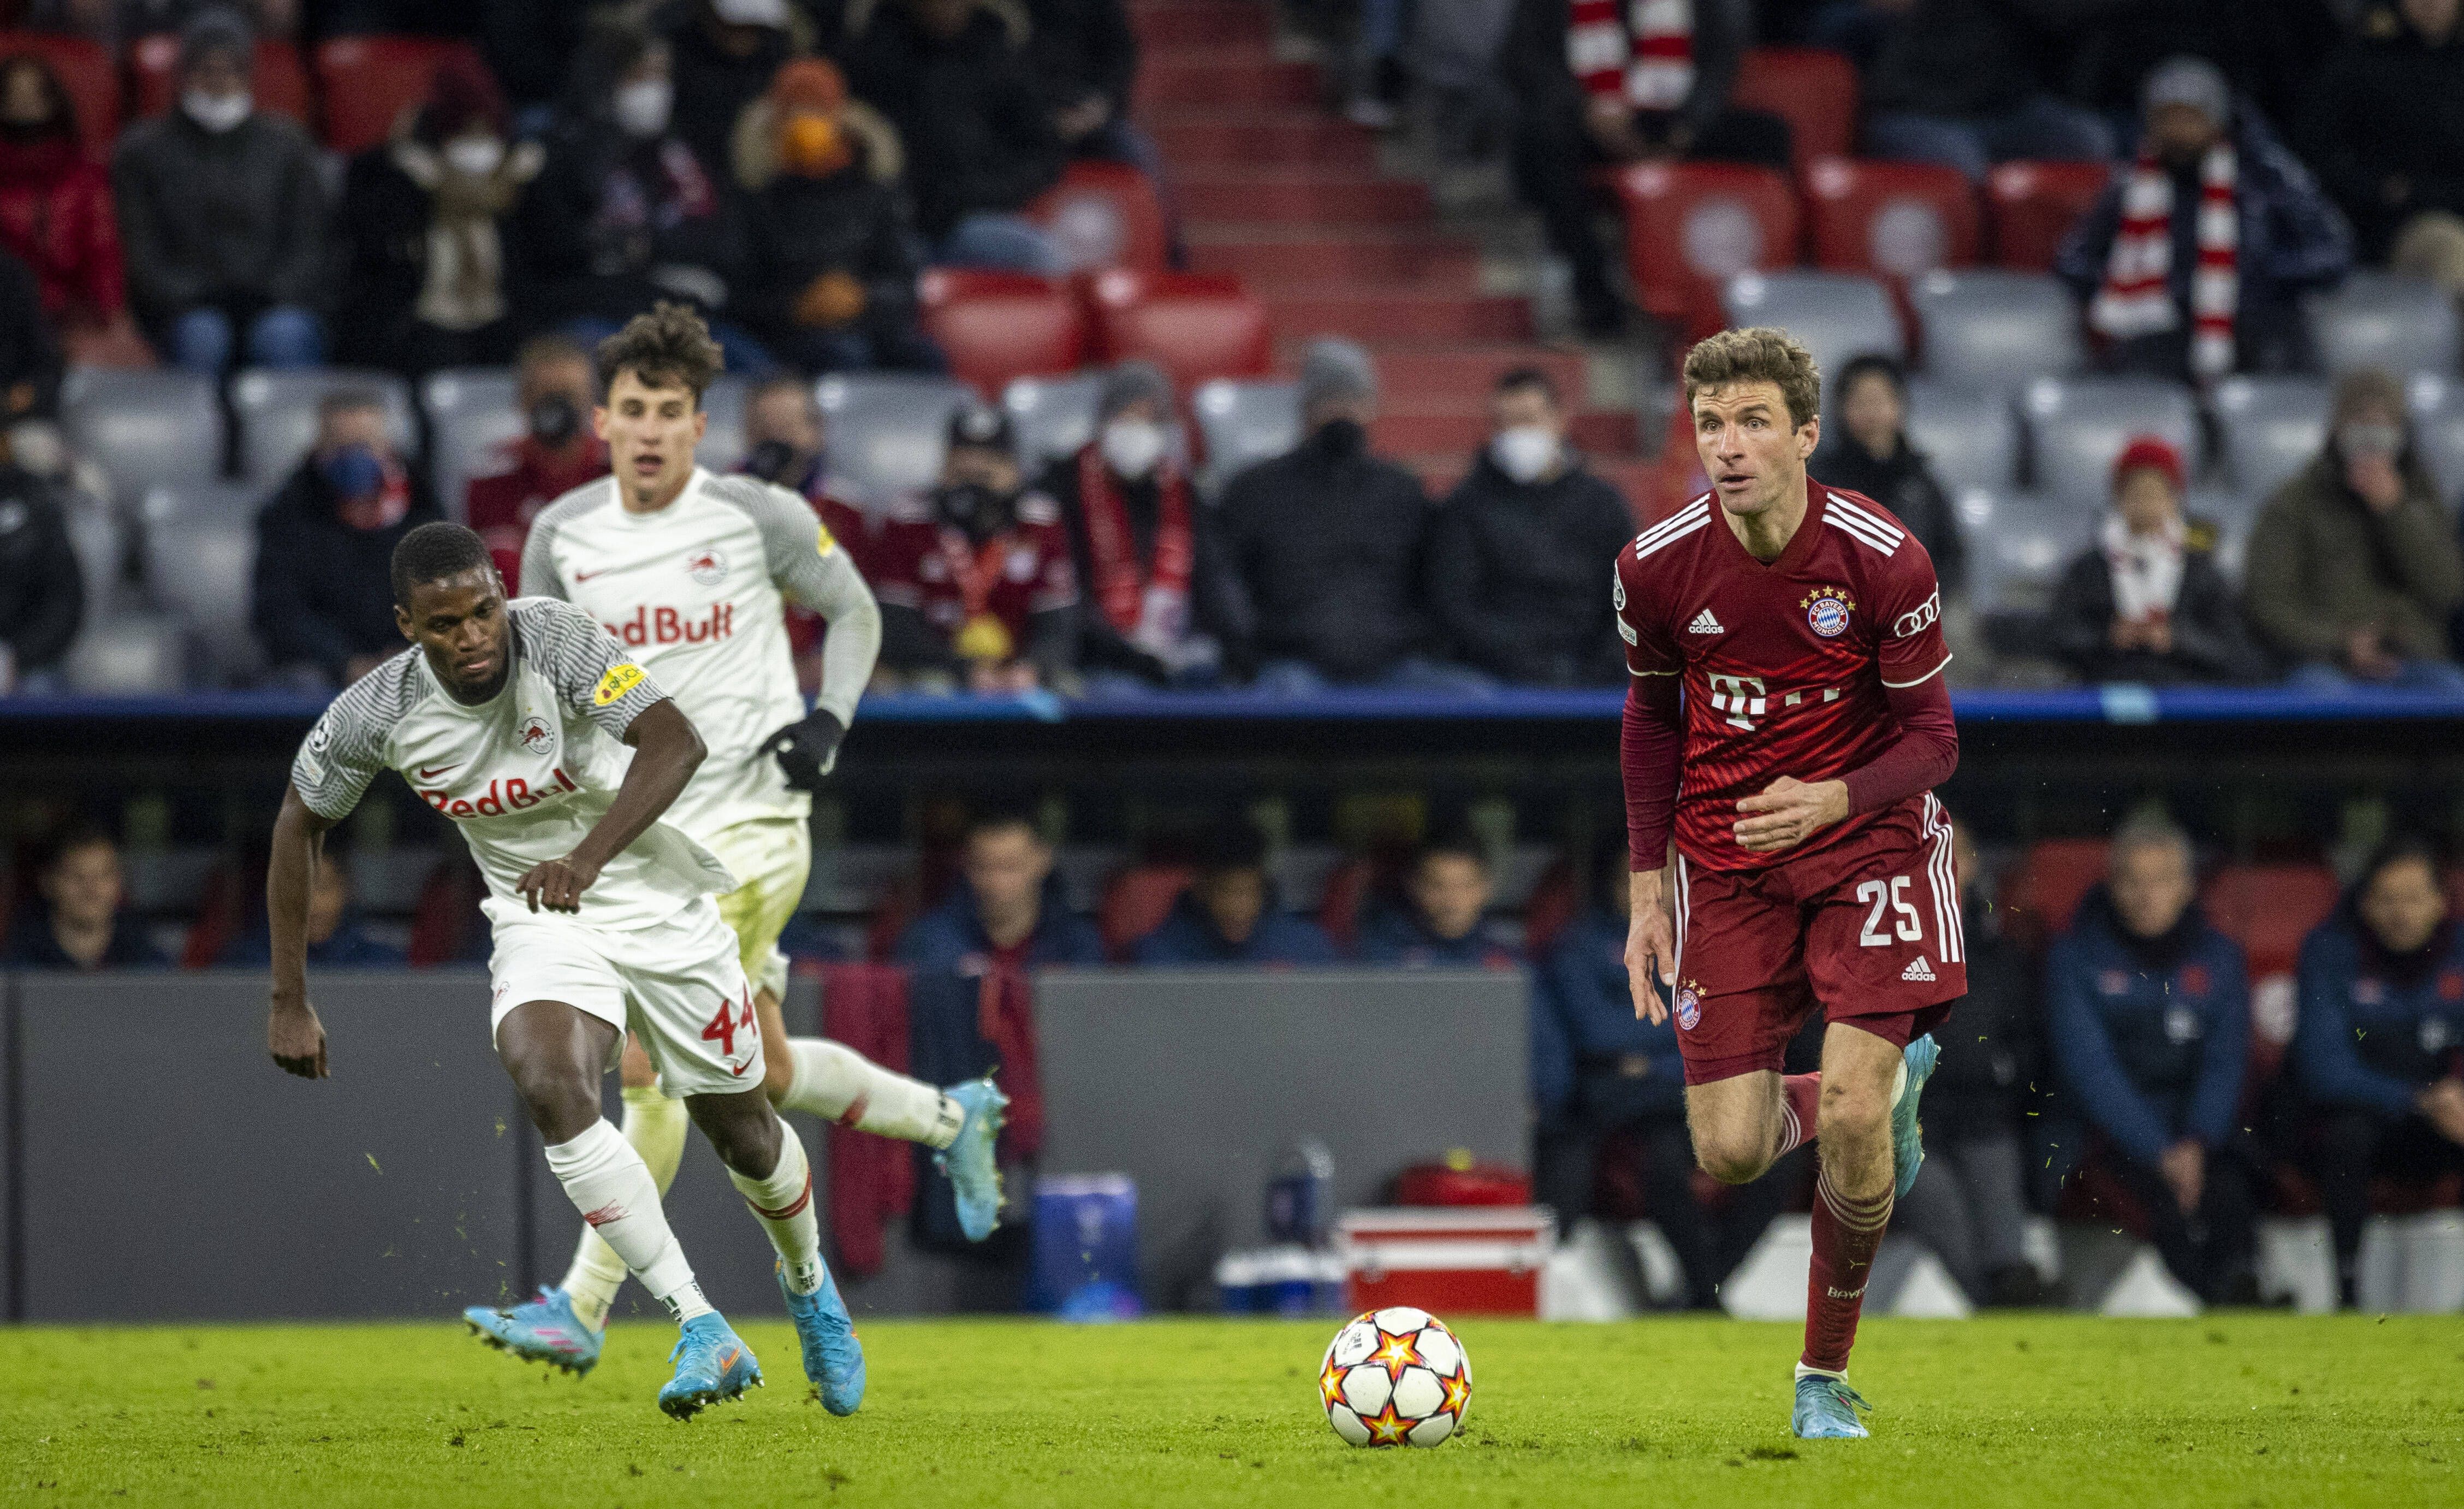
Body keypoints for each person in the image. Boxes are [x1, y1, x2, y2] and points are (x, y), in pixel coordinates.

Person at [482, 304, 1006, 1372]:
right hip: (644, 831)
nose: (649, 431)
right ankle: (951, 1120)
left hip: (757, 824)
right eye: (631, 410)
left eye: (669, 413)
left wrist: (830, 719)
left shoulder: (757, 514)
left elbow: (855, 610)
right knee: (755, 1071)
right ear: (602, 419)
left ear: (698, 424)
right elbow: (542, 677)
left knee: (647, 1062)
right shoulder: (559, 535)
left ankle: (583, 1310)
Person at [269, 522, 863, 1418]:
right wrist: (288, 996)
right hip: (537, 914)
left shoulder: (555, 636)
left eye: (482, 610)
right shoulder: (376, 712)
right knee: (547, 1076)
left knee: (742, 1130)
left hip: (656, 899)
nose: (472, 634)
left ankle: (809, 1284)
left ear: (500, 594)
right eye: (444, 624)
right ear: (406, 626)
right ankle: (699, 1321)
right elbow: (297, 823)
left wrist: (586, 857)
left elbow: (675, 741)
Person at [1614, 327, 1960, 1439]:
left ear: (1807, 433)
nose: (1729, 445)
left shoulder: (1884, 556)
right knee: (1728, 1145)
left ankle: (1821, 1377)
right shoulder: (1653, 565)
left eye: (1755, 420)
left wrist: (1835, 796)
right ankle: (1868, 1100)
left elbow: (1935, 739)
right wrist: (1645, 887)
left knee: (1855, 1105)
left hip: (1870, 850)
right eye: (1711, 423)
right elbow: (1649, 718)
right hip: (1726, 870)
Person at [1533, 850, 1788, 1307]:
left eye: (1668, 880)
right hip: (1631, 1105)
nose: (1657, 890)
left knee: (1782, 1155)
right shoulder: (1580, 945)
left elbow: (1734, 1027)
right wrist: (1682, 1037)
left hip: (1699, 1091)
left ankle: (1703, 1289)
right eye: (1642, 879)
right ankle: (1705, 1297)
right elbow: (1596, 1033)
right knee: (1666, 1160)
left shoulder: (1708, 945)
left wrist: (1651, 1058)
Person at [2045, 814, 2259, 1305]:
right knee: (2154, 1195)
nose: (2147, 895)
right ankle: (2210, 1302)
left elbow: (2225, 1062)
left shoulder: (2219, 956)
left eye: (2161, 881)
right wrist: (2160, 1151)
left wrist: (2198, 1140)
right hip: (2107, 1136)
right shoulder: (2075, 956)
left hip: (2196, 1135)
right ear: (2112, 886)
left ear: (2186, 887)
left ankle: (2242, 1294)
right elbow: (2090, 1069)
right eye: (2133, 881)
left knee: (2231, 1186)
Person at [1501, 0, 1792, 337]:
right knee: (1541, 138)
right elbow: (1522, 60)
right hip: (1589, 127)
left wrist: (1690, 125)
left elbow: (1719, 60)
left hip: (1677, 125)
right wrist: (1586, 110)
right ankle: (1595, 293)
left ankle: (1764, 293)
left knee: (1768, 135)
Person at [2055, 56, 2350, 384]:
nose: (2179, 131)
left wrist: (2255, 279)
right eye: (2167, 118)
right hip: (2157, 340)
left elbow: (2332, 257)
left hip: (2258, 336)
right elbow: (2073, 262)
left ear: (2217, 121)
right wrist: (2131, 284)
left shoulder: (2267, 179)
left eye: (2191, 117)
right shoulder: (2129, 186)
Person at [1215, 340, 1474, 693]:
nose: (1340, 413)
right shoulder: (1254, 491)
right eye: (1327, 401)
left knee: (1467, 695)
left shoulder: (1403, 493)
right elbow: (1225, 587)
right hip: (1291, 664)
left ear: (1371, 407)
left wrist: (1415, 638)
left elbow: (1439, 585)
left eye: (1351, 400)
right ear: (1305, 409)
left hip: (1393, 663)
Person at [520, 20, 769, 374]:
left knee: (762, 378)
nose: (655, 90)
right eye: (640, 77)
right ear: (605, 81)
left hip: (684, 318)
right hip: (596, 318)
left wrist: (649, 251)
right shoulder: (563, 156)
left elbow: (725, 244)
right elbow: (560, 252)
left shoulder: (682, 155)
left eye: (661, 77)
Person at [2289, 835, 2464, 1309]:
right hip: (2364, 1118)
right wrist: (2418, 1098)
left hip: (2445, 1122)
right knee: (2346, 1135)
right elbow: (2324, 1068)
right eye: (2386, 899)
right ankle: (2346, 1292)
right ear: (2363, 903)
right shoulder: (2329, 951)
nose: (2401, 913)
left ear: (2440, 902)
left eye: (2413, 899)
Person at [1888, 821, 2055, 1307]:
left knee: (1996, 1166)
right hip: (1901, 1119)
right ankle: (2003, 1301)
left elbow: (2027, 1045)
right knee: (1931, 1191)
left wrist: (2002, 1083)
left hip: (1982, 1115)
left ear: (1973, 866)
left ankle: (2006, 1286)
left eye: (1949, 854)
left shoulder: (2000, 954)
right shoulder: (1870, 948)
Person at [111, 9, 328, 375]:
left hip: (274, 303)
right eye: (205, 70)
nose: (218, 81)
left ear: (248, 76)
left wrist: (270, 297)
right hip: (181, 309)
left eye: (230, 70)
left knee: (284, 334)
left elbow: (309, 243)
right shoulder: (143, 151)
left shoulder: (288, 147)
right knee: (203, 335)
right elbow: (140, 250)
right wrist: (194, 297)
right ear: (182, 75)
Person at [2244, 368, 2464, 691]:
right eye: (2361, 427)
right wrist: (2341, 642)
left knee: (2451, 691)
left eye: (2384, 429)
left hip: (2414, 659)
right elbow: (2267, 601)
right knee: (2322, 696)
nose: (2372, 442)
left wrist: (2396, 511)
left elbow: (2449, 590)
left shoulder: (2420, 497)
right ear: (2338, 430)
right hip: (2324, 662)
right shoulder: (2294, 502)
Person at [333, 51, 544, 377]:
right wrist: (403, 165)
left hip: (502, 319)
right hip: (421, 320)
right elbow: (369, 244)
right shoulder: (400, 175)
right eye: (465, 132)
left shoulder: (522, 180)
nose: (476, 145)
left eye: (485, 133)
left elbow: (555, 255)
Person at [1425, 365, 1635, 686]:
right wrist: (1522, 662)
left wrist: (1593, 668)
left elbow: (1632, 598)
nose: (1516, 433)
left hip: (1591, 672)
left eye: (1528, 420)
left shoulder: (1602, 504)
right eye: (1505, 424)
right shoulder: (1466, 507)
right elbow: (1457, 606)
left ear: (1559, 420)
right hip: (1494, 675)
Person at [739, 58, 936, 375]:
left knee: (923, 357)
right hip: (794, 338)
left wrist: (862, 298)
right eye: (794, 112)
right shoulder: (760, 203)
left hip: (870, 324)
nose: (804, 122)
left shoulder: (874, 194)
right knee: (843, 356)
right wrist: (797, 308)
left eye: (817, 110)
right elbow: (741, 296)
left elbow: (905, 282)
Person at [1041, 360, 1231, 690]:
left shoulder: (1183, 492)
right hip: (1100, 657)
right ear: (1103, 423)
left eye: (1151, 421)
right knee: (1119, 692)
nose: (1138, 430)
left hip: (1175, 651)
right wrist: (1129, 655)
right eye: (1127, 417)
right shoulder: (1063, 487)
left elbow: (1214, 583)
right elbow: (1064, 593)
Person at [868, 402, 1080, 694]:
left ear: (1015, 473)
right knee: (925, 687)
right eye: (963, 472)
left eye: (987, 476)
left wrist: (1033, 668)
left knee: (1067, 689)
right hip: (935, 673)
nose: (975, 489)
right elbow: (894, 629)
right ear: (943, 469)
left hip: (1019, 674)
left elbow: (1060, 626)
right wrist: (964, 671)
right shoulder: (909, 520)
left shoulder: (1041, 523)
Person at [843, 0, 1067, 274]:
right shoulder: (871, 54)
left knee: (1036, 254)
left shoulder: (999, 53)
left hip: (974, 219)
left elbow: (1043, 154)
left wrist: (979, 194)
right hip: (889, 227)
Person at [251, 390, 442, 689]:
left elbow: (445, 597)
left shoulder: (423, 508)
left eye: (364, 445)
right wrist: (345, 663)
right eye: (341, 446)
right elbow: (277, 611)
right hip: (323, 671)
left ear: (386, 446)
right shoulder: (288, 512)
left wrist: (407, 652)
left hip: (408, 660)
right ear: (320, 447)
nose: (354, 458)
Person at [2048, 434, 2263, 685]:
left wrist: (2177, 639)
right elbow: (2059, 636)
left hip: (2184, 691)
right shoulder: (2089, 568)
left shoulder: (2200, 569)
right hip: (2109, 687)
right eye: (2137, 494)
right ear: (2119, 498)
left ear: (2175, 500)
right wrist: (2109, 637)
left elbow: (2230, 648)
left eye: (2157, 495)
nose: (2147, 506)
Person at [1855, 0, 2112, 182]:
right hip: (1917, 113)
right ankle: (1979, 259)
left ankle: (2080, 255)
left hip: (2004, 112)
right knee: (1964, 165)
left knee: (2086, 140)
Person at [2305, 0, 2464, 269]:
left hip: (2451, 207)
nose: (2431, 3)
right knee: (2452, 253)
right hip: (2398, 229)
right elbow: (2318, 152)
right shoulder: (2361, 64)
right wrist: (2383, 191)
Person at [0, 52, 133, 354]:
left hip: (72, 316)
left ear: (53, 101)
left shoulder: (83, 176)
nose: (24, 104)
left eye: (34, 95)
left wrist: (113, 316)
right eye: (14, 95)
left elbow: (102, 253)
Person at [1808, 356, 1964, 597]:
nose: (1871, 412)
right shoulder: (1820, 480)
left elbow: (1949, 555)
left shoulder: (1921, 479)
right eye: (1860, 402)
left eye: (1879, 400)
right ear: (1841, 410)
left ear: (1900, 405)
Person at [465, 336, 608, 587]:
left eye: (568, 395)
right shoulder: (492, 476)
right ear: (522, 401)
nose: (556, 408)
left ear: (591, 401)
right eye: (544, 395)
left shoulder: (619, 470)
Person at [896, 806, 1106, 972]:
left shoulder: (1078, 942)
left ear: (1042, 860)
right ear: (966, 866)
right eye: (984, 867)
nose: (997, 882)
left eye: (1011, 867)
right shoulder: (929, 940)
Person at [1131, 815, 1340, 966]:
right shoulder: (1159, 956)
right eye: (1226, 892)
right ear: (1201, 890)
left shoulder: (1307, 946)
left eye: (1250, 891)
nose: (1238, 908)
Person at [661, 0, 795, 178]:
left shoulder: (778, 56)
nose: (744, 34)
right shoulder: (680, 54)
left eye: (755, 26)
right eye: (736, 26)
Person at [2, 827, 167, 969]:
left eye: (102, 876)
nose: (90, 889)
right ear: (48, 883)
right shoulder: (16, 969)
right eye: (75, 876)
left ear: (119, 883)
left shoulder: (152, 967)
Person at [216, 846, 402, 966]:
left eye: (323, 887)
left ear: (346, 893)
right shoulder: (243, 965)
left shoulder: (383, 966)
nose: (312, 905)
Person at [1357, 838, 1517, 967]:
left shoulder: (1509, 948)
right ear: (1415, 887)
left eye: (1465, 886)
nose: (1452, 901)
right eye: (1438, 886)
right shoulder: (1383, 946)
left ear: (1486, 888)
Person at [0, 458, 82, 693]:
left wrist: (15, 657)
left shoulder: (31, 497)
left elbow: (64, 600)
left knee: (41, 689)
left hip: (28, 663)